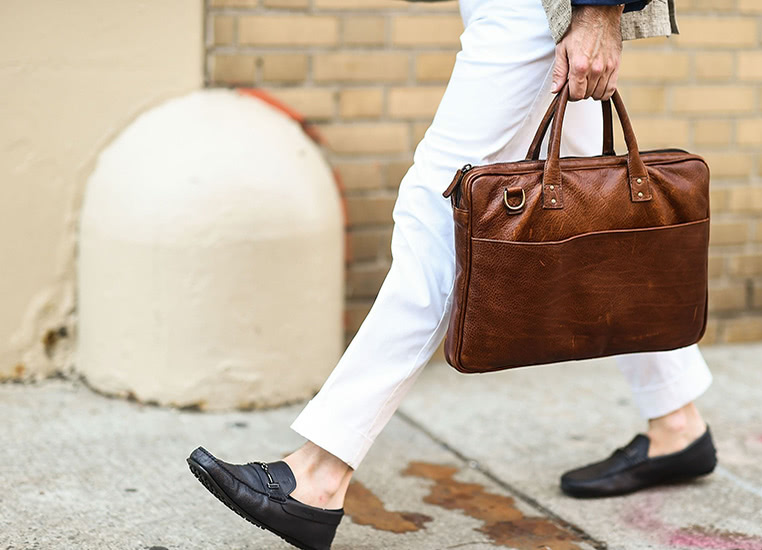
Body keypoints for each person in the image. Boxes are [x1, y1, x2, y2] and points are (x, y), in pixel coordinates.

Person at [186, 0, 717, 548]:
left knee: (439, 211)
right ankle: (676, 421)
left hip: (536, 8)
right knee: (596, 208)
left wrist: (598, 10)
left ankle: (320, 472)